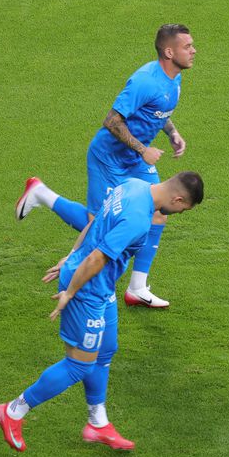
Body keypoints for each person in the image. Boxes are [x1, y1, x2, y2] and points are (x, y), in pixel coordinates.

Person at [0, 172, 204, 452]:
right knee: (78, 365)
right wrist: (71, 292)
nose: (178, 213)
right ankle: (13, 410)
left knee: (105, 350)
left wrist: (71, 255)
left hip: (100, 286)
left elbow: (94, 224)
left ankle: (97, 423)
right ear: (178, 199)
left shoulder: (134, 185)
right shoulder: (138, 219)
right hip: (88, 289)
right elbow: (97, 258)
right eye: (183, 209)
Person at [16, 24, 196, 309]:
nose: (193, 51)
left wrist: (172, 133)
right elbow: (112, 120)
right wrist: (143, 150)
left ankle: (137, 288)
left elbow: (158, 112)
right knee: (99, 220)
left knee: (159, 212)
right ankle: (41, 194)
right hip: (109, 158)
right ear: (169, 52)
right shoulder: (145, 81)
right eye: (187, 46)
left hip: (135, 158)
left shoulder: (174, 79)